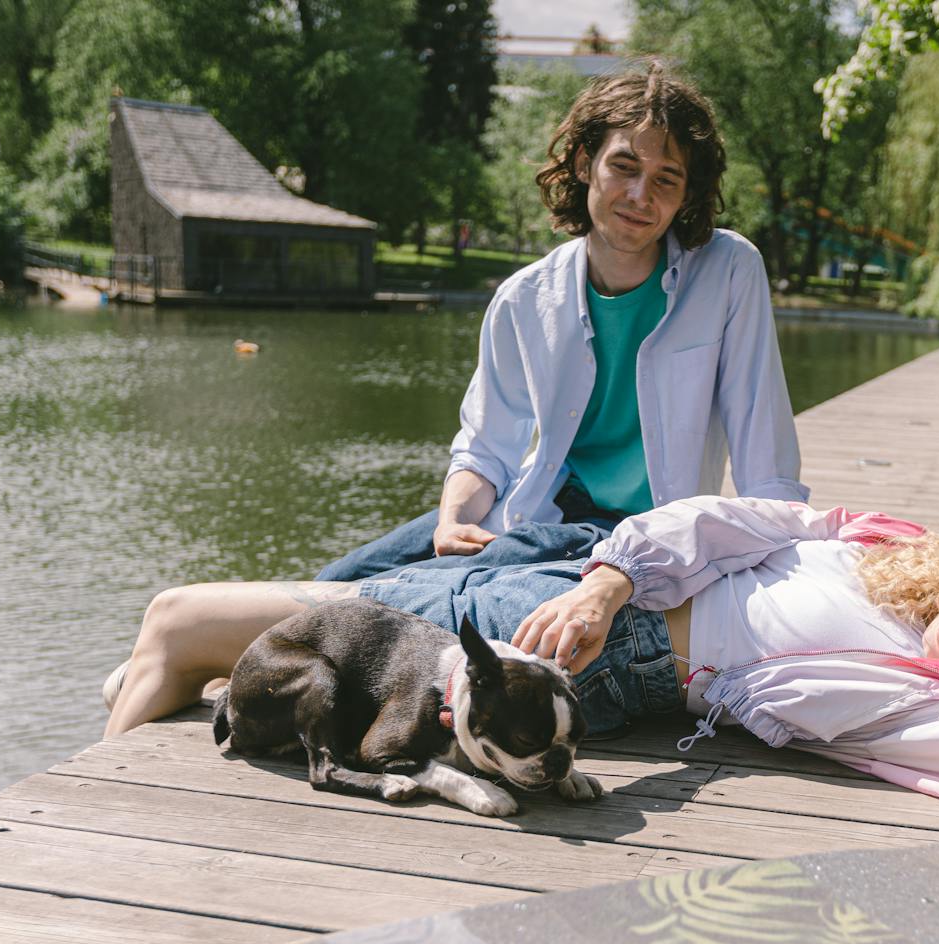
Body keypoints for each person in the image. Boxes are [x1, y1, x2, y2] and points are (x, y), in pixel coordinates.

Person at [107, 497, 939, 825]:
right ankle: (132, 727)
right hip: (567, 593)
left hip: (550, 676)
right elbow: (719, 517)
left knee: (176, 621)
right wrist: (610, 579)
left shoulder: (917, 699)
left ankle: (96, 803)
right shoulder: (879, 546)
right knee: (171, 636)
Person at [310, 62, 805, 586]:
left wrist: (776, 583)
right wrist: (454, 517)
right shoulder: (524, 298)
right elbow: (486, 448)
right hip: (527, 508)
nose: (641, 195)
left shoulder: (728, 271)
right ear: (584, 162)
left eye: (666, 178)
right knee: (335, 580)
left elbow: (765, 459)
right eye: (625, 166)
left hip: (627, 538)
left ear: (687, 194)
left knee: (429, 589)